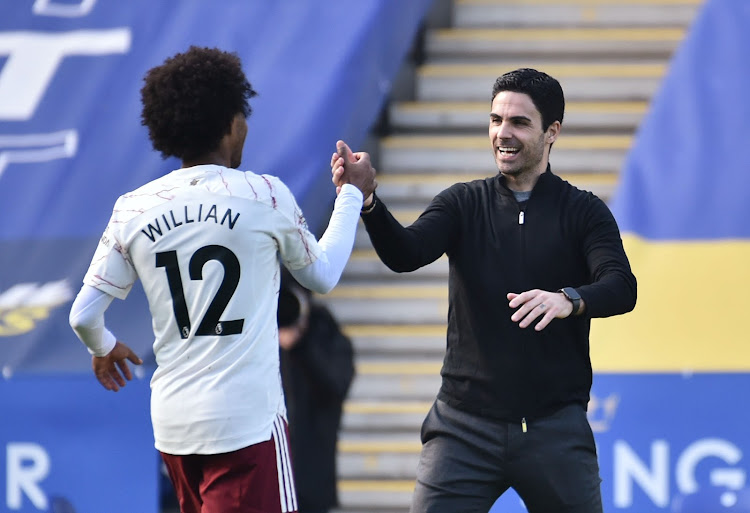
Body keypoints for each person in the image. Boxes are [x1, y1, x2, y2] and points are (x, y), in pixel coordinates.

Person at [68, 46, 375, 513]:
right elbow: (323, 275)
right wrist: (352, 195)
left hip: (174, 427)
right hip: (246, 424)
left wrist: (103, 348)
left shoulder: (132, 207)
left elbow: (84, 314)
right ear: (232, 124)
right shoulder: (263, 194)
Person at [331, 68, 637, 513]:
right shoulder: (462, 202)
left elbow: (621, 286)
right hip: (462, 428)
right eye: (496, 120)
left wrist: (568, 299)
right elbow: (406, 254)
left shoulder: (583, 210)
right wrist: (370, 202)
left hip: (554, 429)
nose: (502, 134)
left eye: (518, 123)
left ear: (552, 132)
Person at [277, 270, 354, 513]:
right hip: (269, 480)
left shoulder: (325, 333)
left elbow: (334, 387)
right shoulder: (258, 340)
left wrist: (301, 343)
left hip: (313, 485)